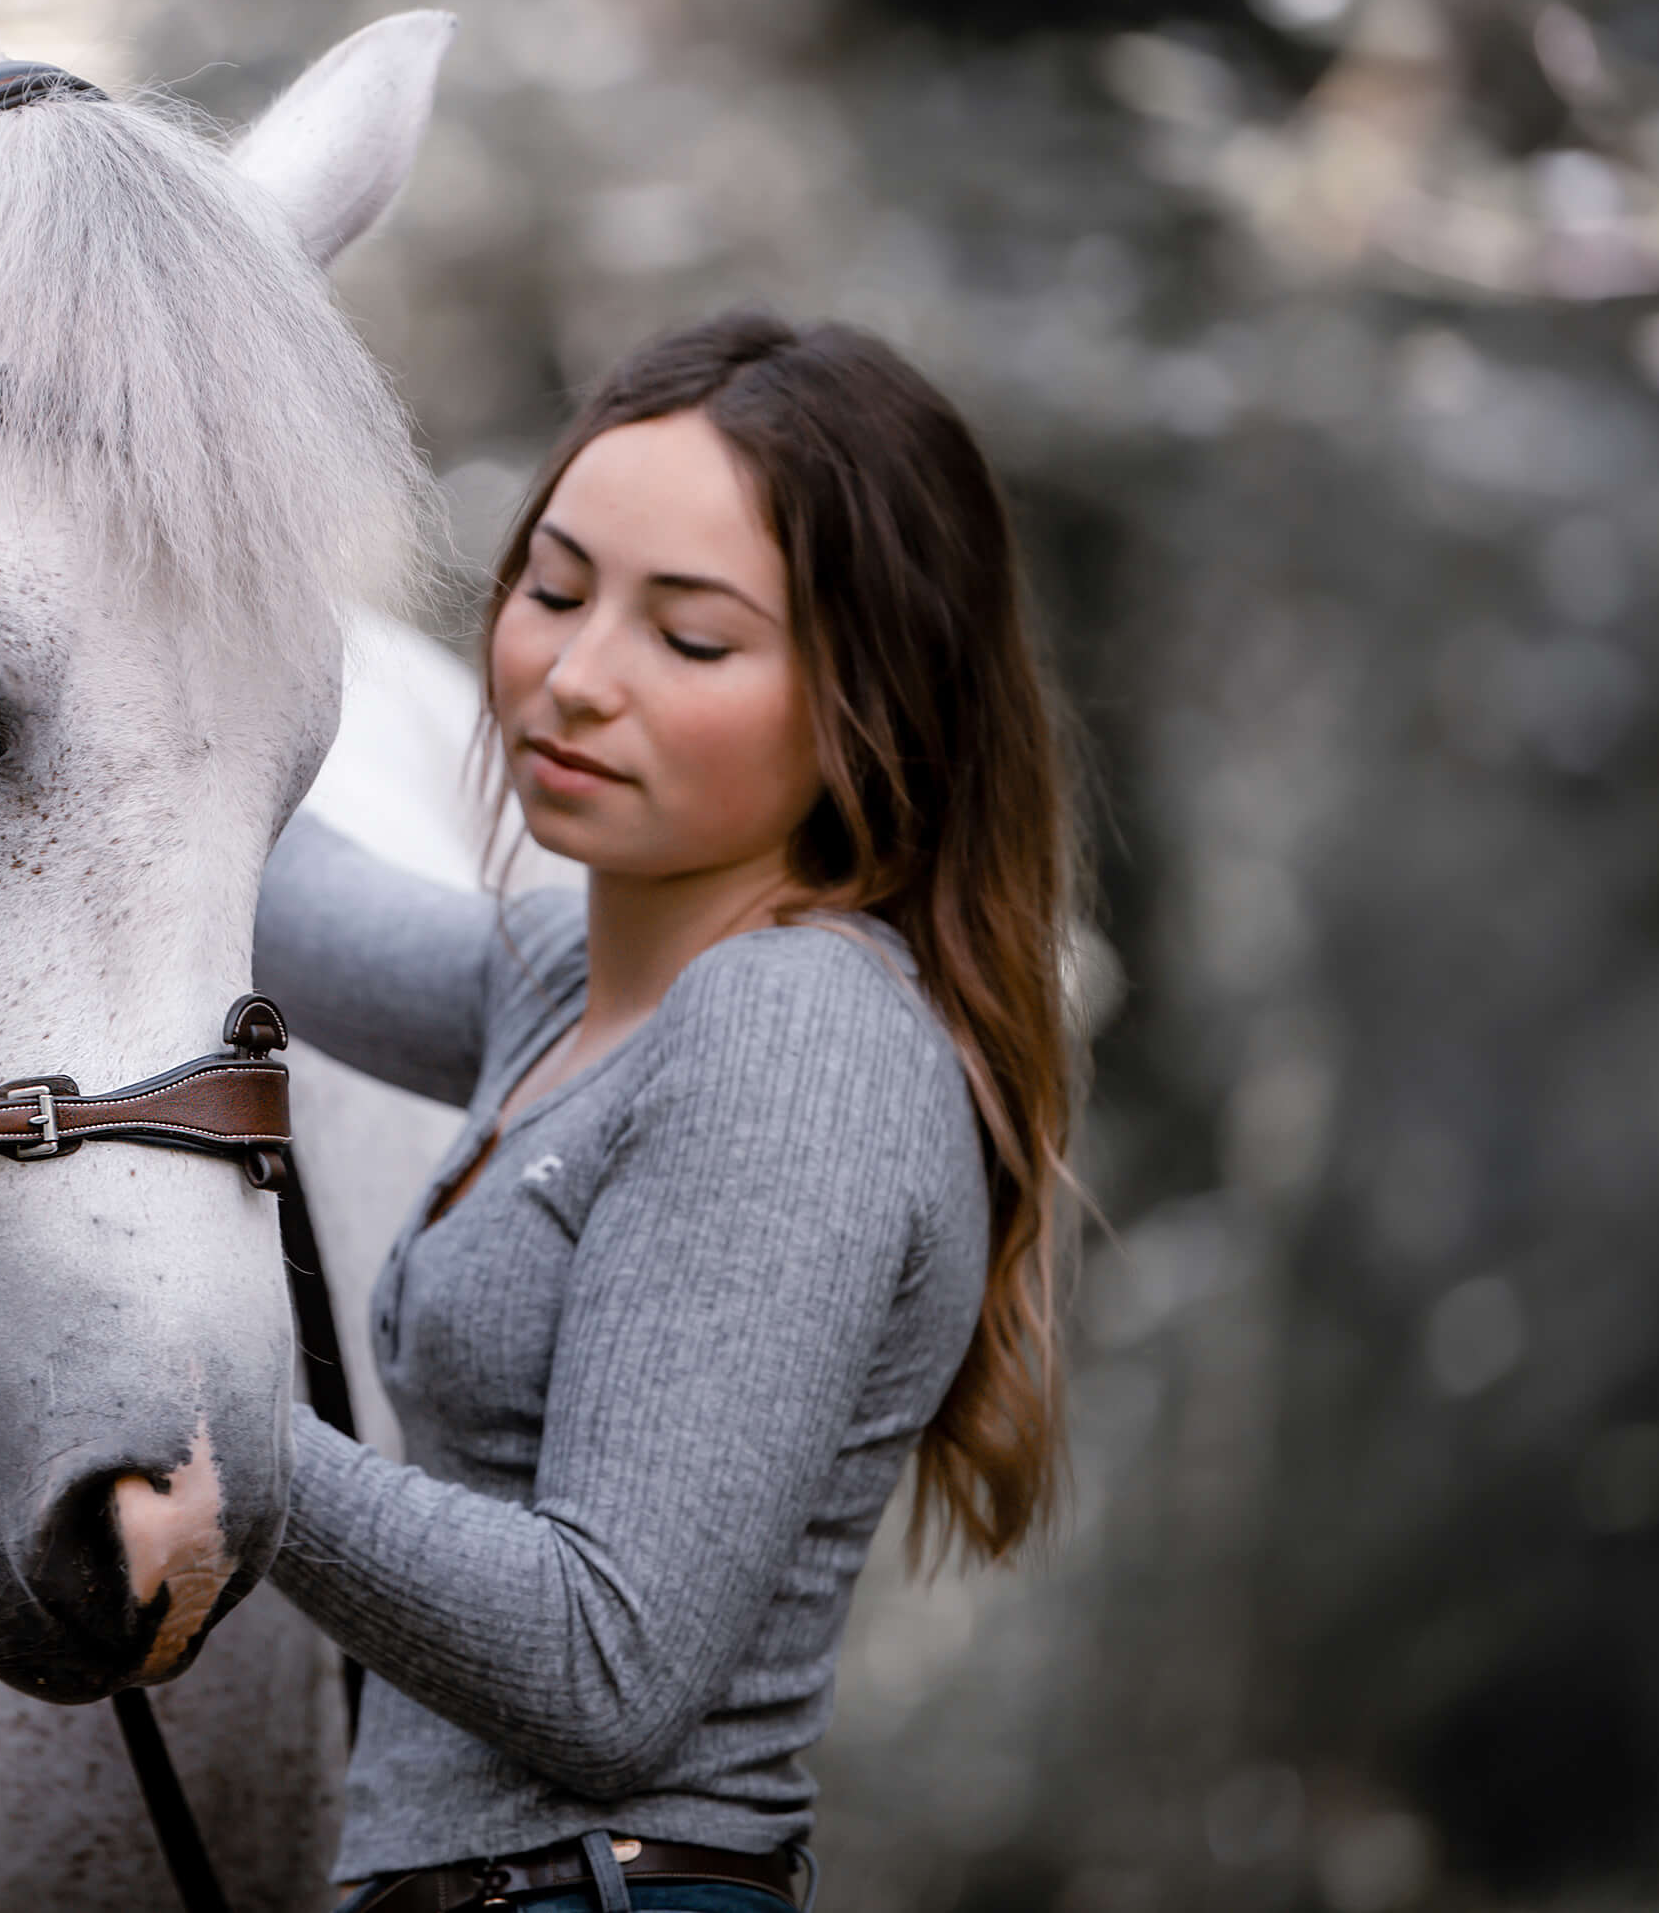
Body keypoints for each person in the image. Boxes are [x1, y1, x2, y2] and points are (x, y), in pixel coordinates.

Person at [258, 310, 1083, 1913]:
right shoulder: (570, 983)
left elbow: (603, 1662)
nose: (573, 677)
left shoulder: (796, 1038)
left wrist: (223, 1432)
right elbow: (262, 879)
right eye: (555, 591)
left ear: (872, 700)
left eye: (690, 640)